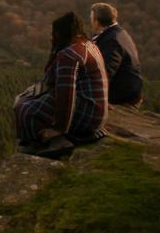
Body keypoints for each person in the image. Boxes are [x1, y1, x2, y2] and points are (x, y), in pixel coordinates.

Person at [15, 12, 108, 158]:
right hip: (95, 112)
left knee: (25, 108)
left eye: (55, 33)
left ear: (61, 33)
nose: (52, 37)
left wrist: (60, 128)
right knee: (28, 101)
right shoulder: (89, 45)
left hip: (86, 115)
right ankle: (42, 140)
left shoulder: (69, 54)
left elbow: (66, 94)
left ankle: (53, 140)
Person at [89, 2, 144, 106]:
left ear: (97, 22)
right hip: (130, 91)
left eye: (92, 18)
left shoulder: (111, 40)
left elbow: (105, 72)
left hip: (123, 97)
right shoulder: (118, 32)